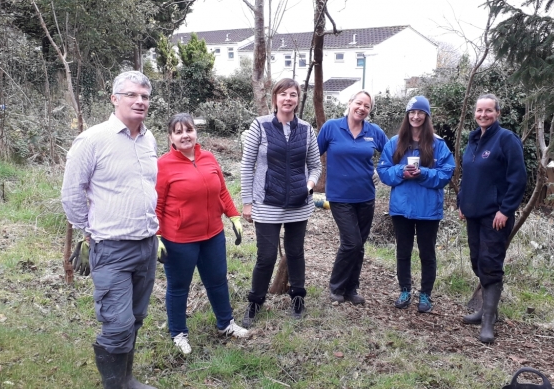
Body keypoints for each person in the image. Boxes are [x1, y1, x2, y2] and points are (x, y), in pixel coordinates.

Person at [61, 71, 160, 389]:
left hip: (146, 246)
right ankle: (114, 385)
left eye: (144, 96)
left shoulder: (149, 139)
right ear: (114, 99)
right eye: (132, 95)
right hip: (111, 249)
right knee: (117, 325)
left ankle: (126, 378)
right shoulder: (93, 140)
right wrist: (90, 230)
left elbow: (147, 187)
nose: (140, 101)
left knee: (136, 318)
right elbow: (71, 193)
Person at [156, 113, 250, 355]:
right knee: (178, 287)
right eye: (178, 132)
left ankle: (226, 324)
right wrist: (155, 235)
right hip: (179, 240)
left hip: (213, 235)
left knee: (217, 280)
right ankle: (178, 333)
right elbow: (156, 204)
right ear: (171, 138)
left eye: (188, 130)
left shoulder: (208, 158)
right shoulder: (164, 165)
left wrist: (234, 216)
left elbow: (221, 192)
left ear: (195, 133)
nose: (185, 135)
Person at [240, 78, 322, 327]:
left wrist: (308, 187)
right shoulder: (260, 125)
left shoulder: (307, 129)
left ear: (298, 99)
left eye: (293, 94)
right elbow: (247, 164)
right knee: (265, 256)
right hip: (266, 202)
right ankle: (255, 301)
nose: (288, 99)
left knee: (296, 253)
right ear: (275, 98)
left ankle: (298, 298)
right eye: (283, 94)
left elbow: (316, 166)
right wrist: (247, 202)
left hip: (299, 203)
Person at [457, 93, 526, 343]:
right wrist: (461, 202)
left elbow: (518, 178)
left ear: (497, 113)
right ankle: (487, 311)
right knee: (477, 261)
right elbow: (467, 175)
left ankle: (488, 321)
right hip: (473, 213)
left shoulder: (506, 139)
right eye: (479, 111)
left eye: (488, 111)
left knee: (490, 263)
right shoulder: (474, 139)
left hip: (495, 216)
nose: (483, 115)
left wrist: (506, 210)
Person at [377, 96, 455, 313]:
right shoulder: (395, 143)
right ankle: (405, 290)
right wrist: (401, 171)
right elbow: (383, 171)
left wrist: (423, 174)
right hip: (401, 207)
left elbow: (447, 173)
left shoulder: (438, 144)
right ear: (407, 115)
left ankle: (425, 295)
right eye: (412, 112)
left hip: (428, 209)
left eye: (420, 112)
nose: (416, 116)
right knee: (403, 251)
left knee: (427, 253)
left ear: (426, 116)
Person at [317, 90, 388, 305]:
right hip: (339, 196)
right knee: (352, 242)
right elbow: (312, 155)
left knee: (360, 244)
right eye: (359, 103)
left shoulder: (374, 131)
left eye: (367, 106)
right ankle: (336, 286)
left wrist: (381, 170)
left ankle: (351, 288)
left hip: (366, 196)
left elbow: (393, 154)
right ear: (350, 103)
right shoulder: (331, 127)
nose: (362, 108)